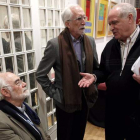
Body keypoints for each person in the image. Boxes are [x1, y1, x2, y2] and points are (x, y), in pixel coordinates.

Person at [36, 4, 99, 140]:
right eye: (79, 18)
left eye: (84, 17)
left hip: (85, 98)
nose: (84, 22)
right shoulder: (55, 45)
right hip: (65, 101)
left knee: (79, 134)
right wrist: (56, 93)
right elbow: (40, 74)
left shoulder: (90, 41)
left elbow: (96, 68)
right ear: (67, 24)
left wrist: (93, 78)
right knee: (65, 136)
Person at [79, 3, 140, 140]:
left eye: (114, 23)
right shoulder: (111, 45)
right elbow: (104, 72)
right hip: (114, 113)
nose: (111, 28)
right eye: (109, 24)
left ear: (130, 18)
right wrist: (94, 77)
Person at [0, 72, 51, 140]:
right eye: (17, 82)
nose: (24, 84)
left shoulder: (27, 106)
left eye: (21, 80)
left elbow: (43, 134)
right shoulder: (2, 122)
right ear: (6, 92)